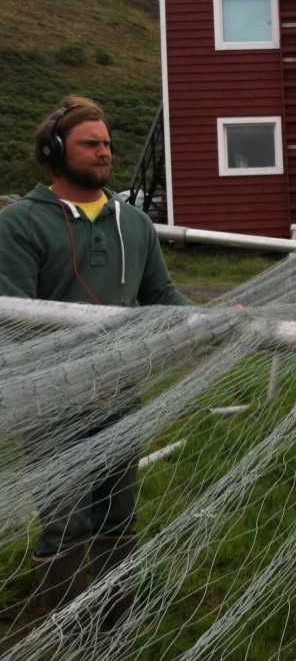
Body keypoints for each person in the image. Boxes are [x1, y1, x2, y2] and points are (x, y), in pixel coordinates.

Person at [0, 96, 189, 636]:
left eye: (107, 143)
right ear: (55, 151)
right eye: (90, 143)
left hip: (120, 392)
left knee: (118, 511)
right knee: (64, 520)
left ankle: (116, 620)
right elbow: (13, 316)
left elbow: (162, 295)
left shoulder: (134, 224)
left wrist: (213, 320)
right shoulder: (19, 225)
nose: (104, 152)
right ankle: (63, 624)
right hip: (50, 399)